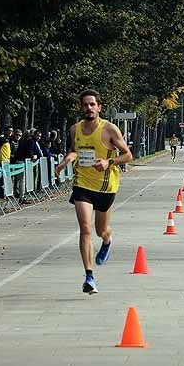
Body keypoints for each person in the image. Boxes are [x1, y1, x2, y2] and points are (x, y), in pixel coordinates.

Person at [56, 90, 132, 294]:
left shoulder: (109, 129)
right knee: (85, 228)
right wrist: (66, 161)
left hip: (106, 187)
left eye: (92, 105)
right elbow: (74, 150)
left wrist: (109, 162)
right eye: (85, 105)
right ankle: (89, 277)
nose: (88, 108)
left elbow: (128, 155)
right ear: (81, 107)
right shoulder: (75, 129)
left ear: (99, 107)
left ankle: (107, 240)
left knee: (100, 231)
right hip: (82, 184)